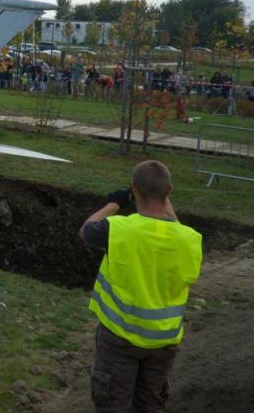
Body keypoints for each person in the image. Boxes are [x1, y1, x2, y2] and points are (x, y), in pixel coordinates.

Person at [79, 160, 202, 412]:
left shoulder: (118, 229)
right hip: (164, 342)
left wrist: (114, 203)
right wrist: (166, 203)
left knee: (113, 404)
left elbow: (86, 231)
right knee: (150, 405)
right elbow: (176, 228)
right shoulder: (190, 239)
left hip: (119, 338)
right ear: (169, 192)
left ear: (134, 189)